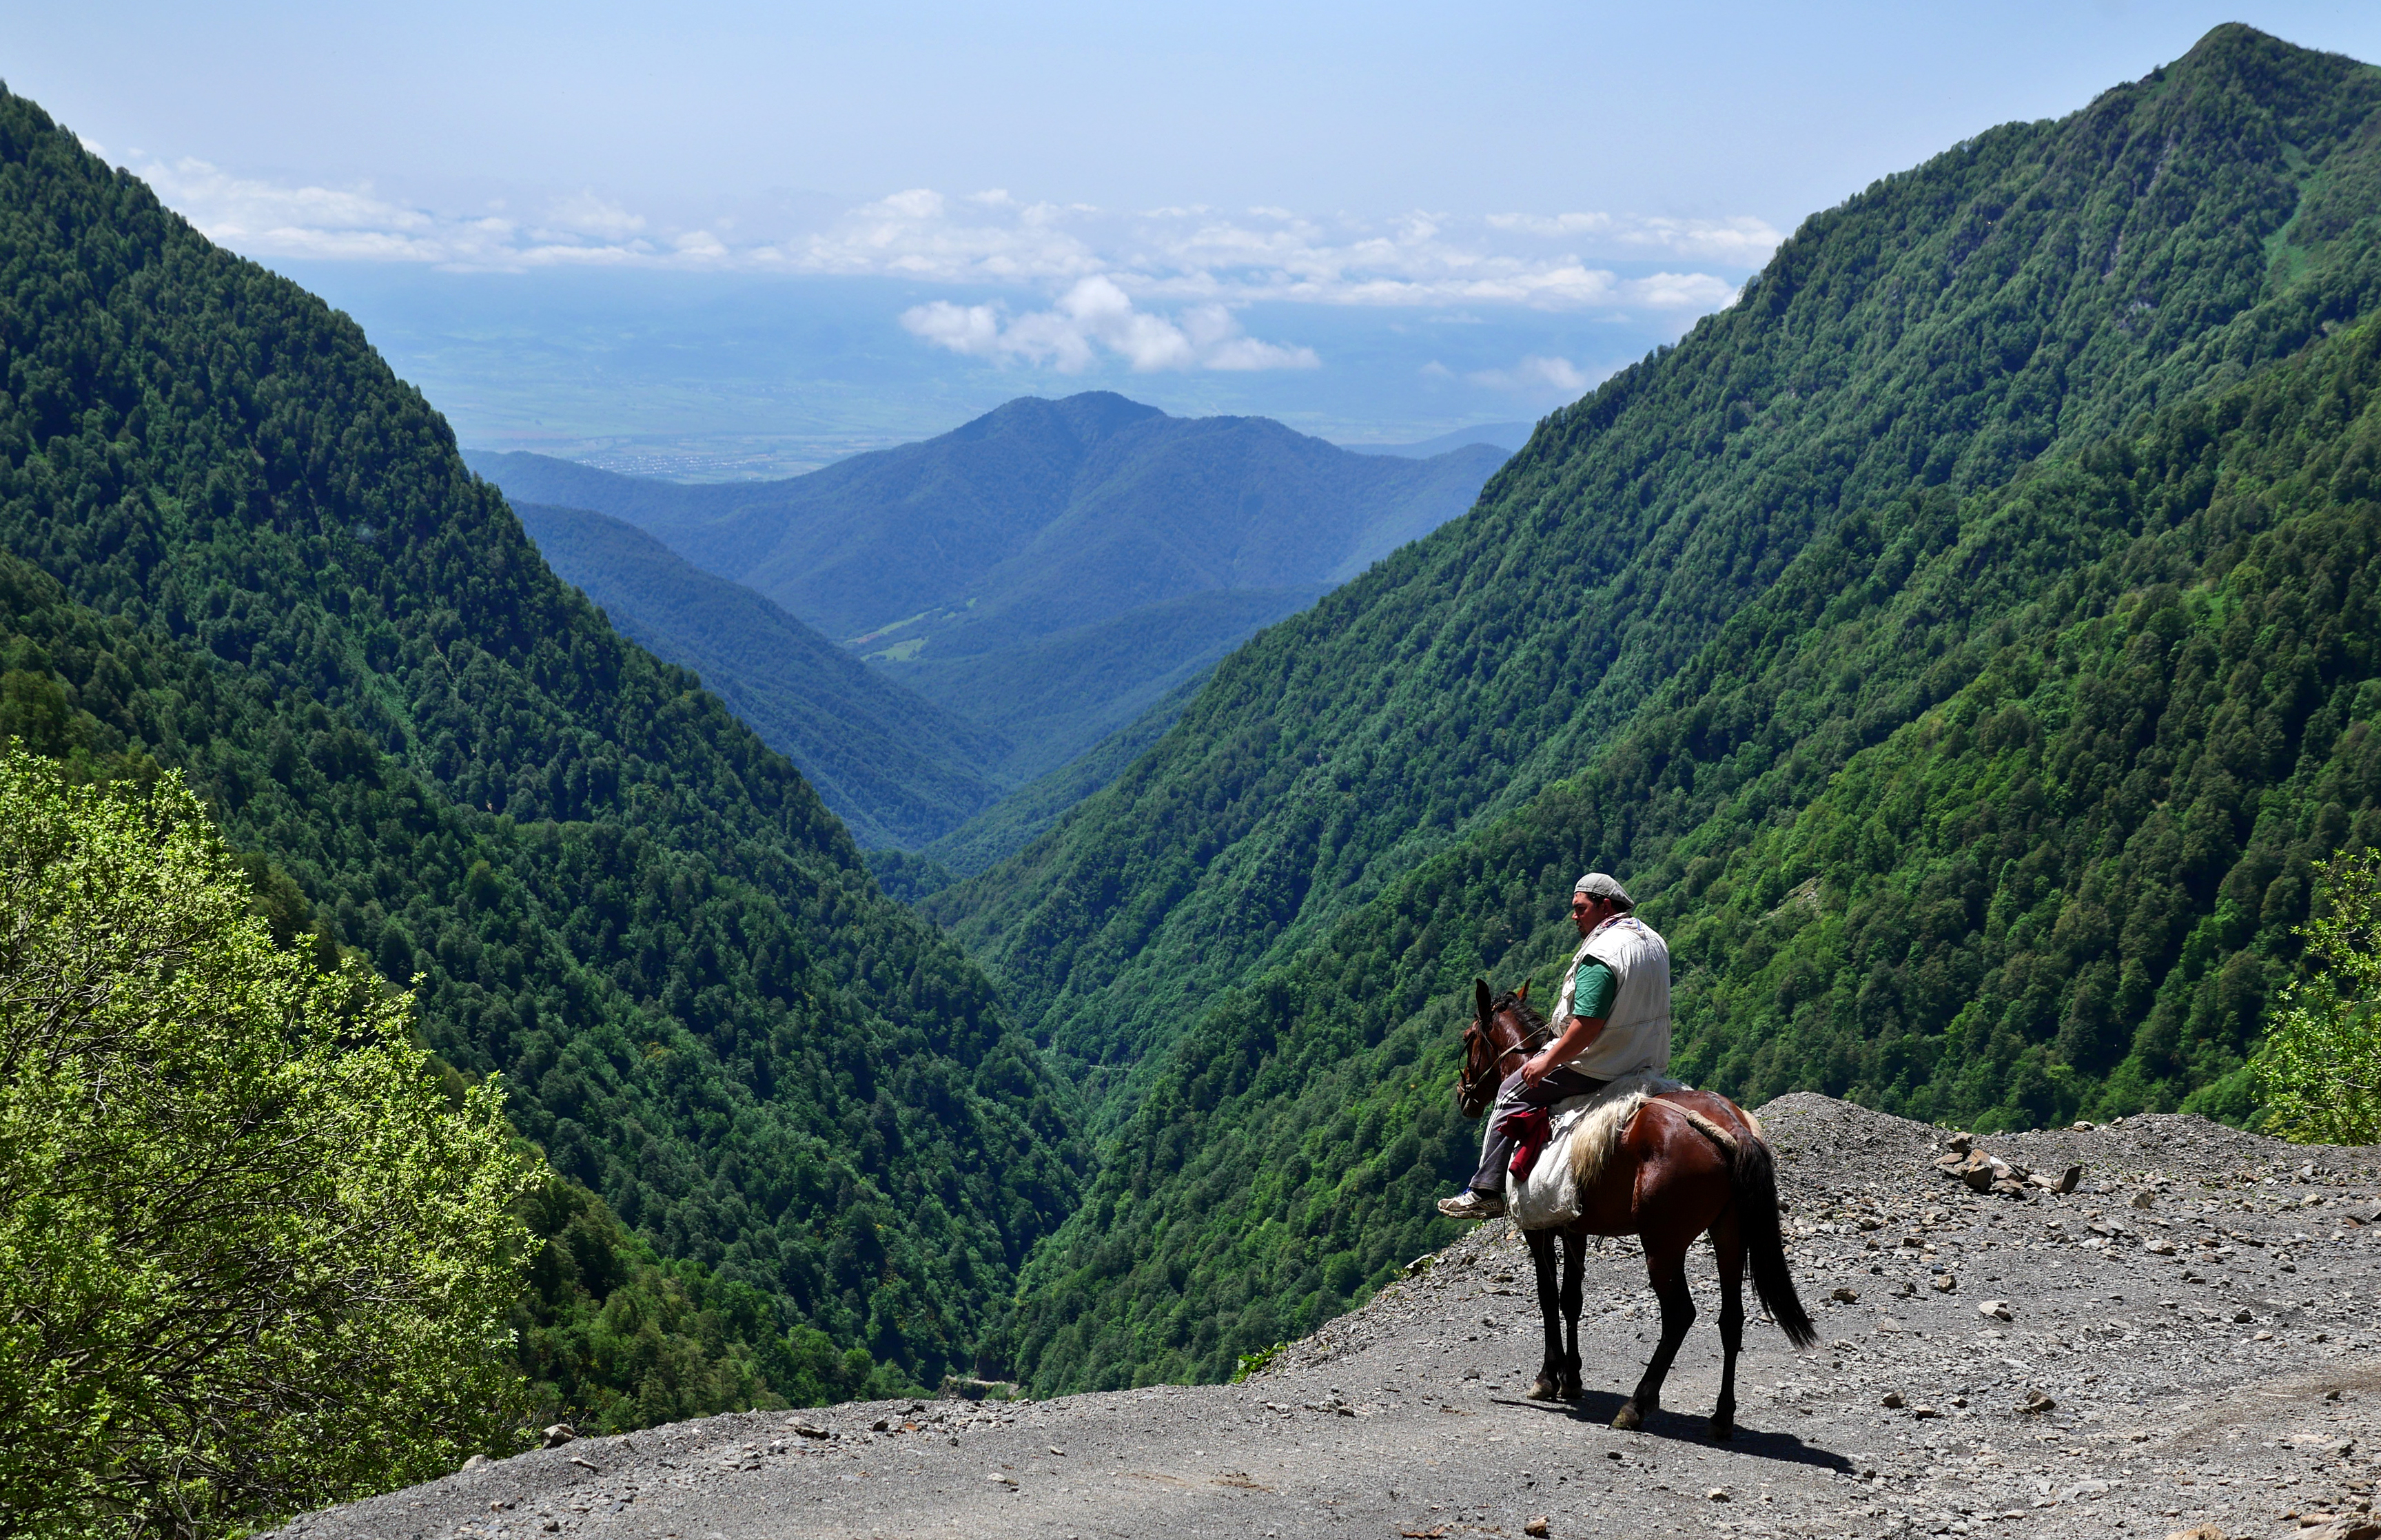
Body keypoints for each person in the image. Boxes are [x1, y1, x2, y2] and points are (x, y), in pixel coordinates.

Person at [1436, 871, 1673, 1220]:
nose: (1574, 917)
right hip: (1648, 1059)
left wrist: (1546, 1063)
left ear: (1605, 906)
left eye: (1580, 909)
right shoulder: (1652, 940)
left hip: (1600, 1064)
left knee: (1509, 1091)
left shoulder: (1603, 953)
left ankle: (1485, 1190)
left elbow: (1587, 1026)